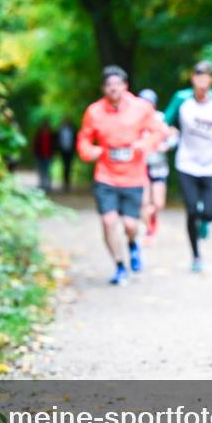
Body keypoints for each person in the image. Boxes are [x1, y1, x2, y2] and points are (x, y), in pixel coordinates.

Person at [78, 65, 166, 285]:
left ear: (125, 86)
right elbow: (84, 140)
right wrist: (91, 152)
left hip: (133, 176)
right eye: (109, 85)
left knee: (130, 225)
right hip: (105, 175)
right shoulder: (94, 112)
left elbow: (159, 131)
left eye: (118, 84)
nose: (113, 89)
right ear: (103, 88)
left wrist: (143, 145)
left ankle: (133, 244)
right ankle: (119, 266)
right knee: (108, 221)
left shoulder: (141, 108)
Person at [164, 60, 212, 273]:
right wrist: (170, 130)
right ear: (192, 78)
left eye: (207, 77)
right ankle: (196, 255)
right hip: (187, 163)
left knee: (210, 212)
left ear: (211, 80)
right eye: (199, 76)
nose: (203, 81)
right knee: (192, 210)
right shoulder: (181, 99)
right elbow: (165, 121)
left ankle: (206, 222)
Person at [137, 89, 178, 243]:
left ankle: (151, 219)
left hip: (158, 165)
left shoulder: (161, 118)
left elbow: (174, 135)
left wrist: (166, 145)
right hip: (140, 165)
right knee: (144, 202)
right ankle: (148, 231)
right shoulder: (133, 119)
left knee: (158, 203)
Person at [33, 120, 54, 193]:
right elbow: (35, 145)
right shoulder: (39, 134)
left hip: (48, 155)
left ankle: (47, 185)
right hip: (40, 155)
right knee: (41, 170)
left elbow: (53, 145)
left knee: (47, 170)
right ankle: (41, 184)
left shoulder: (51, 135)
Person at [57, 118, 77, 192]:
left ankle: (68, 182)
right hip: (63, 151)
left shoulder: (72, 130)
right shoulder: (60, 130)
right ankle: (65, 182)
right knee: (64, 166)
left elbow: (75, 140)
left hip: (70, 151)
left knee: (69, 167)